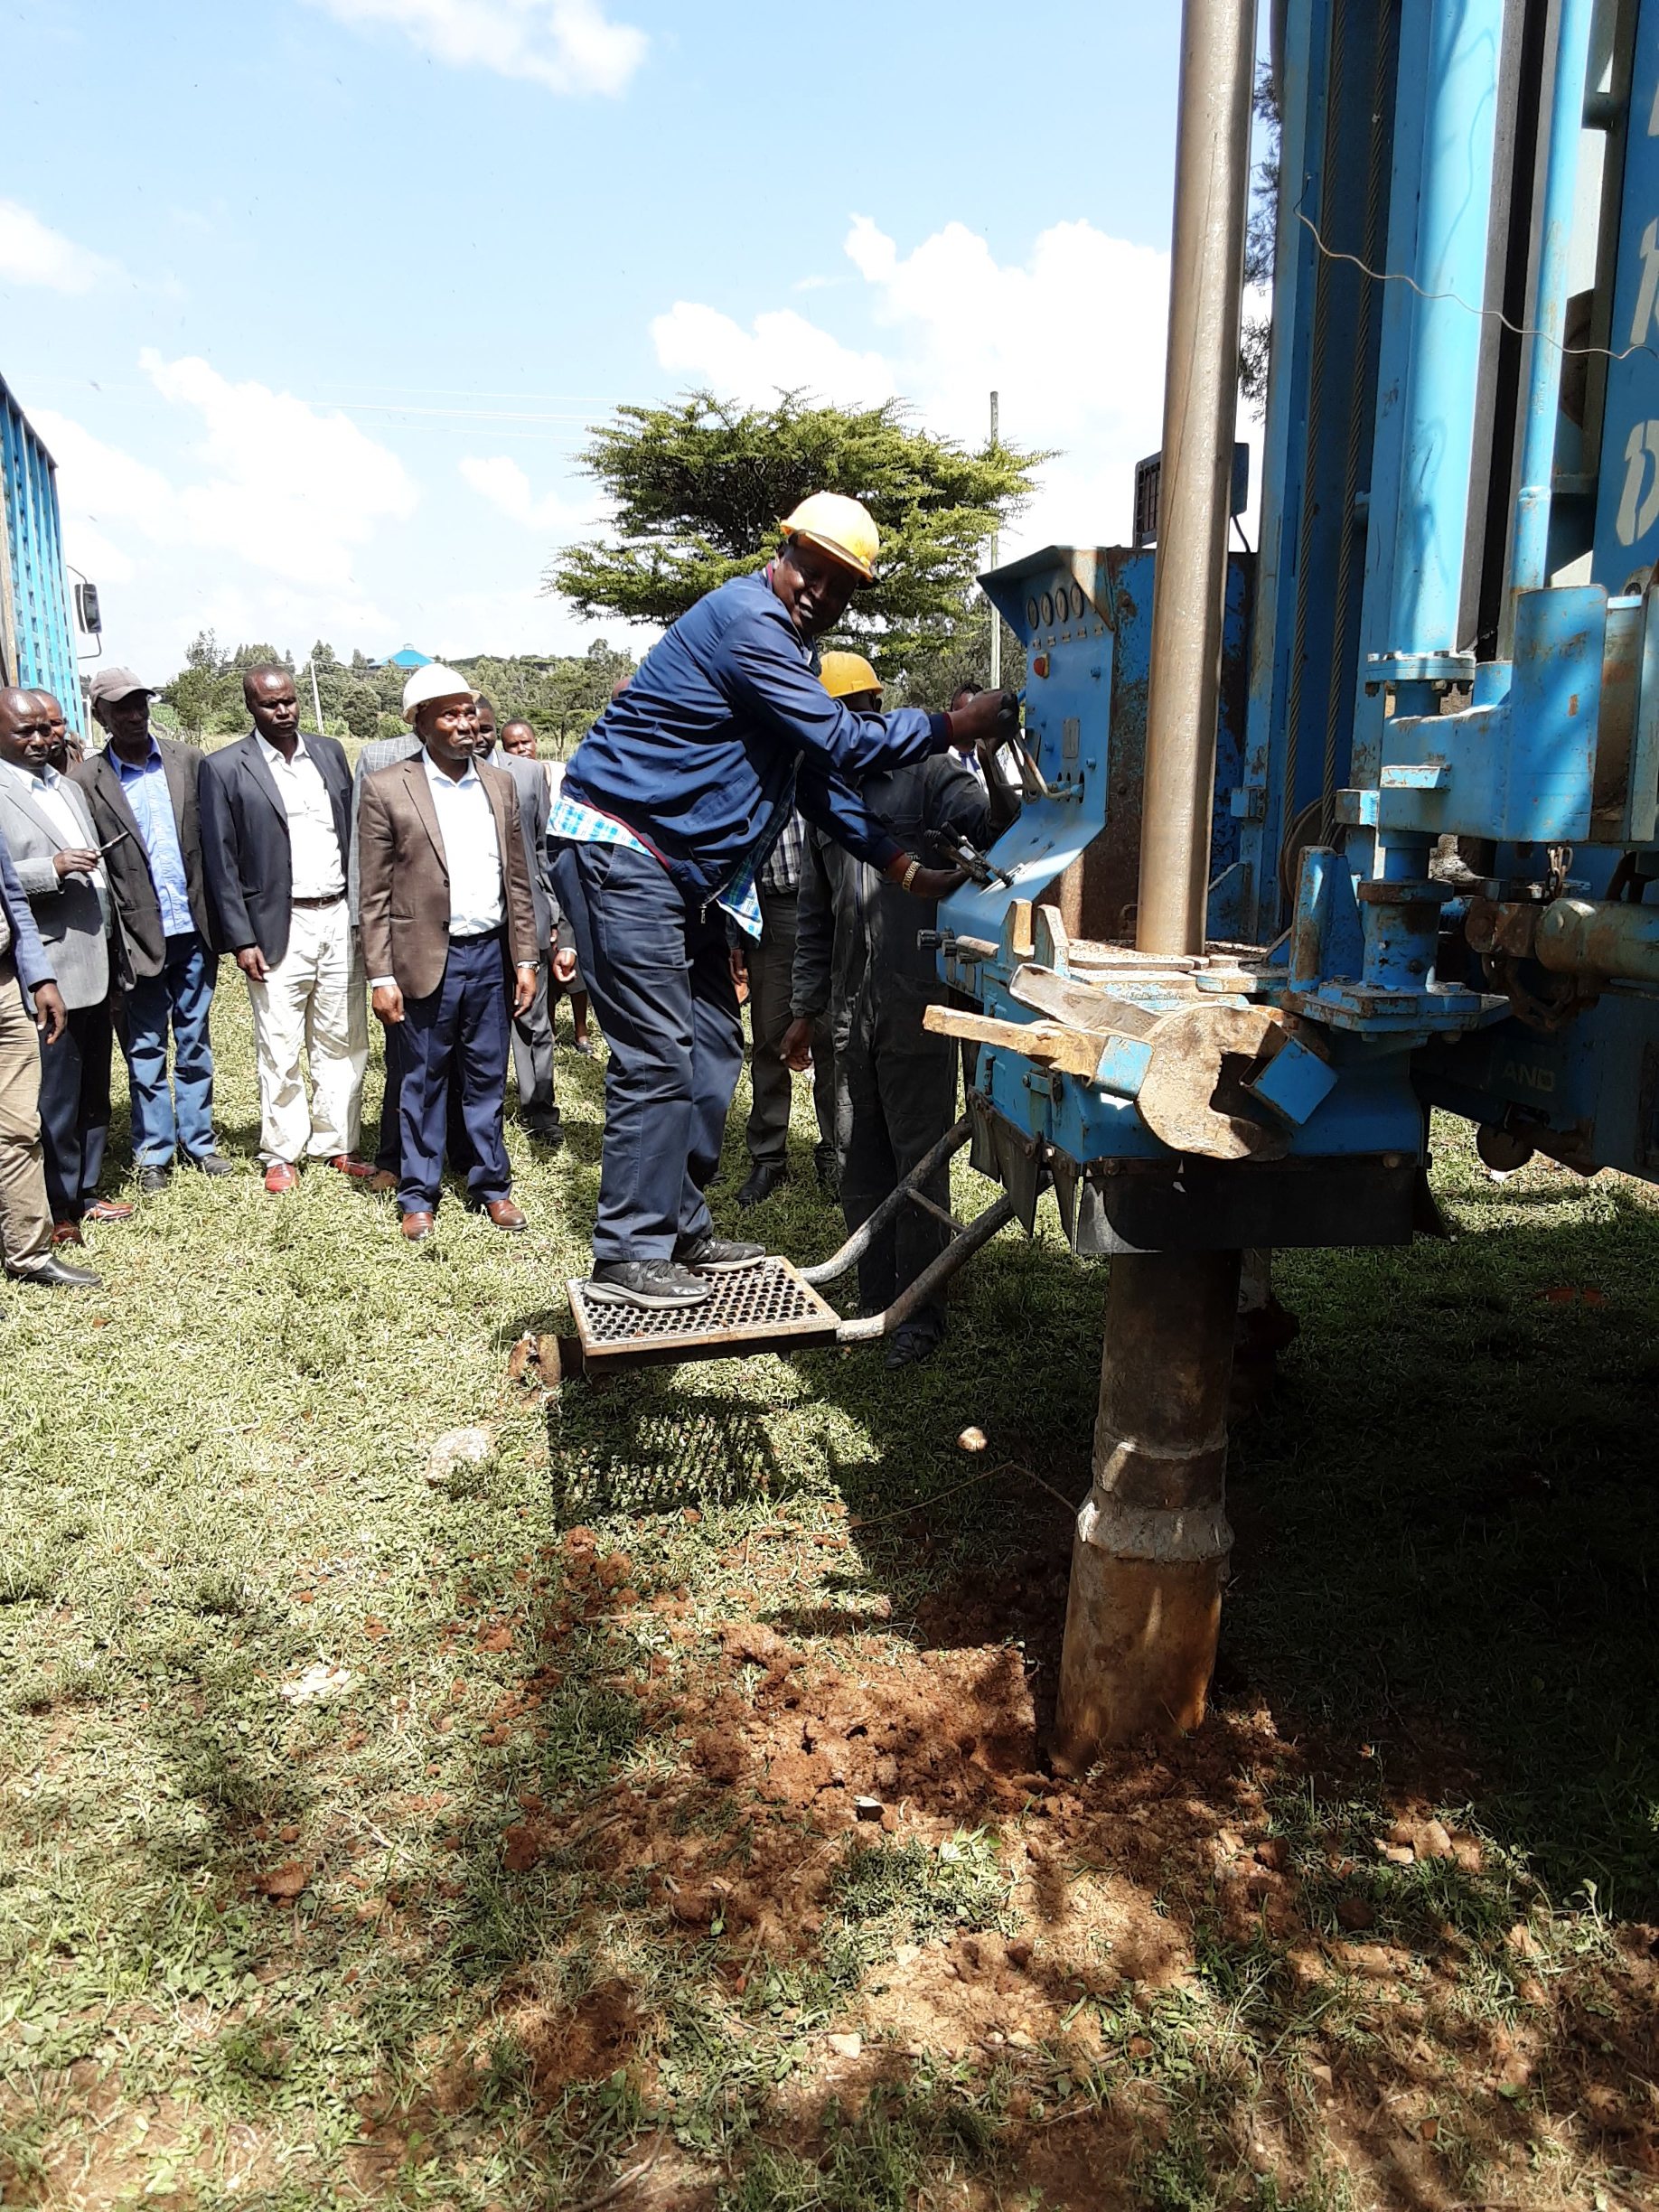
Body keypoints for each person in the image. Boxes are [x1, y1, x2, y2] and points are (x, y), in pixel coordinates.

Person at [548, 490, 1012, 1313]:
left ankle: (679, 1230)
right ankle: (626, 1251)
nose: (823, 594)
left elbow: (818, 782)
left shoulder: (790, 653)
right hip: (622, 850)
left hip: (675, 874)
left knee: (715, 1044)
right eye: (816, 571)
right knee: (659, 1055)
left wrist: (904, 871)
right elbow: (839, 741)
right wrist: (949, 724)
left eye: (843, 587)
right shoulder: (747, 624)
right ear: (787, 546)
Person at [783, 670, 992, 1369]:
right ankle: (874, 1298)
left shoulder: (929, 775)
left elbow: (990, 829)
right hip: (850, 1016)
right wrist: (804, 1009)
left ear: (874, 709)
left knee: (920, 1164)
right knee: (855, 1156)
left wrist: (987, 756)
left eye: (851, 712)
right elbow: (814, 918)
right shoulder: (824, 796)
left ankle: (919, 1312)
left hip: (918, 1008)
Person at [357, 666, 539, 1242]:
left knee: (486, 1076)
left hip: (489, 955)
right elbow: (374, 893)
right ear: (419, 723)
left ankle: (492, 1186)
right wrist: (379, 974)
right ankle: (419, 1194)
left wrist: (527, 958)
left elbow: (518, 878)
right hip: (422, 959)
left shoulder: (499, 783)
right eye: (450, 714)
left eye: (469, 712)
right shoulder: (388, 787)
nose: (465, 724)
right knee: (423, 1079)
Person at [199, 667, 369, 1194]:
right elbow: (219, 861)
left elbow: (352, 829)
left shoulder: (329, 751)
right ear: (250, 706)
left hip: (338, 914)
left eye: (290, 701)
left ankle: (337, 1141)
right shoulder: (225, 767)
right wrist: (241, 936)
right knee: (279, 1040)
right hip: (277, 923)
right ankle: (282, 1149)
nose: (284, 711)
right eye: (271, 704)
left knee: (343, 1036)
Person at [729, 661, 886, 1212]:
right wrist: (737, 933)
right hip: (774, 914)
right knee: (773, 1038)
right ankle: (769, 1157)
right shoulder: (765, 757)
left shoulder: (850, 772)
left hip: (836, 914)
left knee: (832, 1040)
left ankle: (835, 1148)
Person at [72, 667, 232, 1192]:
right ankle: (153, 1152)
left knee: (193, 1038)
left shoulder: (188, 761)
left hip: (194, 926)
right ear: (101, 715)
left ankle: (200, 1142)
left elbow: (214, 841)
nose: (134, 715)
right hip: (137, 937)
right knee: (144, 1045)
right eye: (121, 707)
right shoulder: (86, 781)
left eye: (140, 704)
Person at [0, 689, 127, 1242]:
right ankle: (58, 1209)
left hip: (95, 954)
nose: (39, 740)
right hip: (48, 964)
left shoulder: (67, 787)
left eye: (44, 730)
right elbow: (5, 882)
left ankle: (87, 1189)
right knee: (54, 1094)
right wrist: (49, 867)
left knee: (94, 1085)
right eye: (24, 732)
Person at [0, 811, 98, 1300]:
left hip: (4, 985)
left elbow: (11, 899)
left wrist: (39, 976)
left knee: (20, 1126)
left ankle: (28, 1252)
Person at [474, 699, 576, 1146]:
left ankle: (541, 1110)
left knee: (534, 1023)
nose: (477, 736)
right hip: (470, 928)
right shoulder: (435, 781)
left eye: (486, 729)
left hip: (525, 919)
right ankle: (482, 1113)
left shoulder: (530, 775)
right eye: (470, 727)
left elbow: (544, 853)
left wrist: (559, 923)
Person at [347, 715, 422, 1192]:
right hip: (403, 938)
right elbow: (365, 861)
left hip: (470, 939)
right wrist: (369, 941)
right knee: (404, 1059)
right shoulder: (379, 758)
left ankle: (454, 1150)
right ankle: (393, 1155)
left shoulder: (485, 769)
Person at [504, 717, 593, 1054]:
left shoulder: (560, 774)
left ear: (535, 741)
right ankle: (550, 1026)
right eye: (512, 745)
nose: (521, 748)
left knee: (574, 957)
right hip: (537, 881)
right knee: (544, 960)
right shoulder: (509, 779)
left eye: (525, 742)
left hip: (567, 874)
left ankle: (581, 1030)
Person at [36, 691, 84, 773]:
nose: (51, 732)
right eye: (42, 727)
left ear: (64, 723)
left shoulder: (88, 759)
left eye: (55, 724)